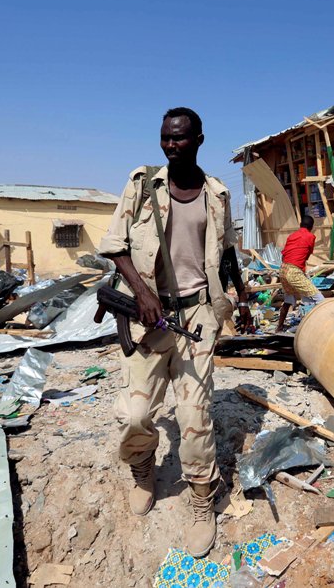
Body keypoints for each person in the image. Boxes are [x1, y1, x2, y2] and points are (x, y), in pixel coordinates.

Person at [98, 107, 251, 558]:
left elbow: (225, 254)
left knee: (194, 416)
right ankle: (143, 467)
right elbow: (115, 246)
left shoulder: (218, 194)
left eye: (179, 138)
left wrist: (240, 298)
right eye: (165, 137)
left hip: (198, 316)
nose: (170, 145)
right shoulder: (143, 184)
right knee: (134, 414)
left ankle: (202, 498)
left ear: (199, 139)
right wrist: (143, 293)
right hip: (149, 318)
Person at [275, 215, 323, 332]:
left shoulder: (291, 236)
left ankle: (279, 327)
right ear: (311, 227)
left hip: (283, 269)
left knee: (288, 300)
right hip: (294, 271)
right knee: (319, 299)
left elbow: (284, 255)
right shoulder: (310, 236)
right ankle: (317, 325)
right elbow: (306, 255)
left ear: (300, 225)